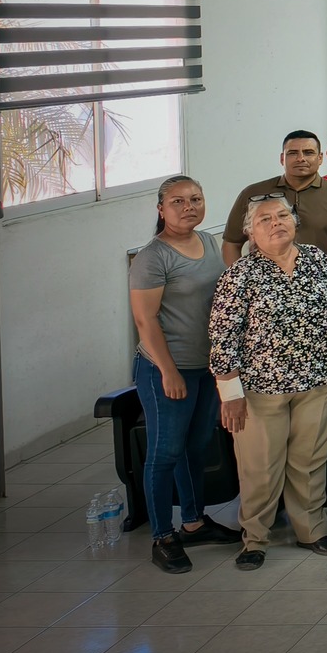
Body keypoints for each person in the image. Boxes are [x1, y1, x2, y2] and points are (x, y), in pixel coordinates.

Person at [209, 194, 327, 570]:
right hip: (260, 390)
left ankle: (311, 530)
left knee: (310, 460)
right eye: (264, 219)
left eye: (282, 215)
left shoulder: (316, 259)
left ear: (295, 221)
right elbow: (222, 336)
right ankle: (255, 538)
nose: (275, 223)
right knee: (261, 466)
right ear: (249, 231)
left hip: (316, 380)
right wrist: (230, 393)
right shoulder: (240, 274)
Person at [129, 176, 239, 573]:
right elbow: (145, 321)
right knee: (165, 451)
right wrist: (168, 371)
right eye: (178, 201)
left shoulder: (208, 242)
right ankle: (162, 535)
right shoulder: (152, 258)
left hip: (207, 367)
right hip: (167, 368)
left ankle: (193, 522)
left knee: (195, 446)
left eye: (195, 199)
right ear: (161, 209)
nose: (188, 206)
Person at [222, 130, 327, 267]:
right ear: (282, 158)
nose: (301, 158)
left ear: (320, 158)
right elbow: (231, 243)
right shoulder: (253, 194)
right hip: (266, 281)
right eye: (293, 153)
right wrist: (241, 278)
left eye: (308, 152)